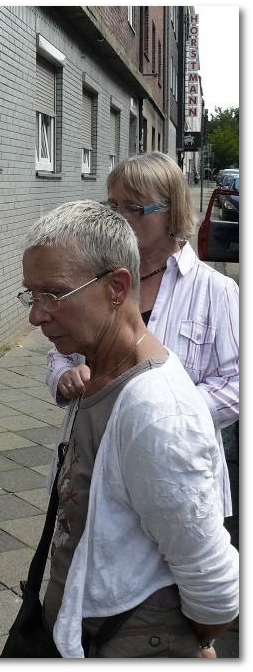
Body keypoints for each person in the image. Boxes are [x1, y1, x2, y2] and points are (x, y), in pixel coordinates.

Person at [19, 200, 238, 658]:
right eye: (31, 295)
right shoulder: (98, 370)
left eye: (53, 294)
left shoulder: (157, 410)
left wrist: (181, 645)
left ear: (117, 286)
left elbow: (214, 585)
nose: (37, 316)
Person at [46, 151, 239, 544]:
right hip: (92, 460)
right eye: (112, 206)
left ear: (171, 212)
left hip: (174, 472)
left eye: (132, 208)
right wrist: (63, 374)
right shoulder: (100, 280)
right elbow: (62, 348)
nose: (117, 219)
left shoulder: (214, 290)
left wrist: (165, 413)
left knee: (168, 586)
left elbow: (238, 384)